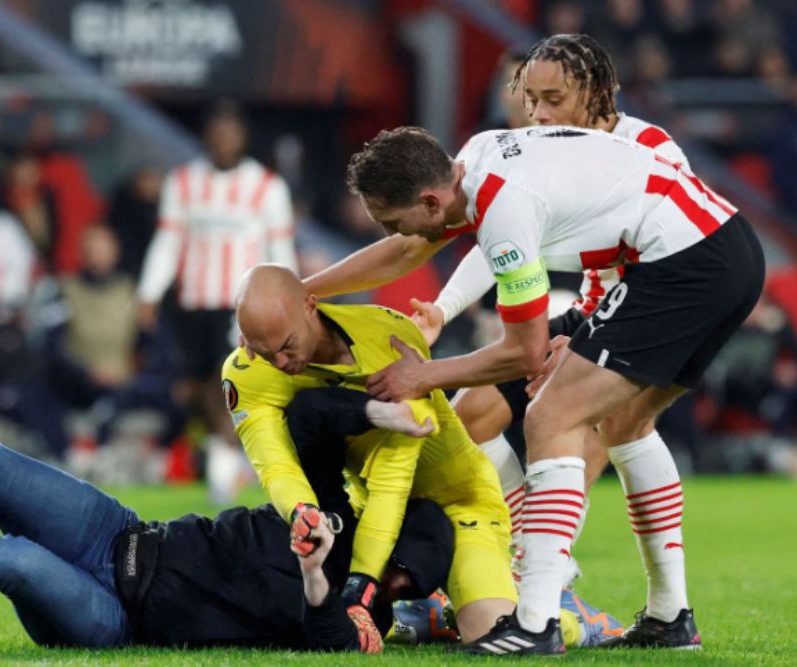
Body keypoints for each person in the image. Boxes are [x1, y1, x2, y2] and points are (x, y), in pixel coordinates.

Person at [312, 122, 763, 654]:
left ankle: (536, 619)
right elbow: (406, 251)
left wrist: (422, 375)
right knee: (625, 425)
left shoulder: (504, 208)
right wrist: (303, 292)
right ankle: (669, 617)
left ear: (432, 201)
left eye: (394, 220)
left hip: (682, 266)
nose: (395, 233)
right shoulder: (474, 161)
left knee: (550, 417)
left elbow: (523, 352)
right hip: (720, 251)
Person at [0, 359, 451, 652]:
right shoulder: (326, 510)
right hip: (124, 530)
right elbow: (312, 416)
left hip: (114, 617)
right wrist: (383, 417)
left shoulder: (359, 613)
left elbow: (326, 640)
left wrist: (323, 577)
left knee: (13, 561)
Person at [408, 34, 701, 591]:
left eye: (551, 100)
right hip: (589, 310)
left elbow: (676, 252)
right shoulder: (535, 150)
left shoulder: (651, 148)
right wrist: (443, 311)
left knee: (604, 430)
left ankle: (583, 583)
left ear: (593, 93)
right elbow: (495, 242)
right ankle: (536, 556)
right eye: (529, 99)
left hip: (642, 312)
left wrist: (583, 342)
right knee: (471, 416)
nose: (537, 114)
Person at [225, 265, 621, 648]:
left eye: (286, 345)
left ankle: (575, 621)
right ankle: (432, 608)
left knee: (495, 635)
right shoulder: (247, 373)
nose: (279, 363)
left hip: (459, 501)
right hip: (370, 512)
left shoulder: (388, 337)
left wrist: (360, 586)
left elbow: (392, 481)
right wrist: (301, 513)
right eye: (263, 351)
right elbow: (275, 464)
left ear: (311, 304)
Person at [136, 101, 297, 503]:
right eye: (217, 132)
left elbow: (281, 248)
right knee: (197, 386)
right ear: (206, 136)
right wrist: (149, 292)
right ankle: (230, 460)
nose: (223, 140)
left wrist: (290, 296)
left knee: (228, 383)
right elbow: (168, 241)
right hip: (192, 302)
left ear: (242, 137)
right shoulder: (184, 182)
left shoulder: (267, 186)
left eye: (231, 132)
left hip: (243, 304)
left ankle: (226, 469)